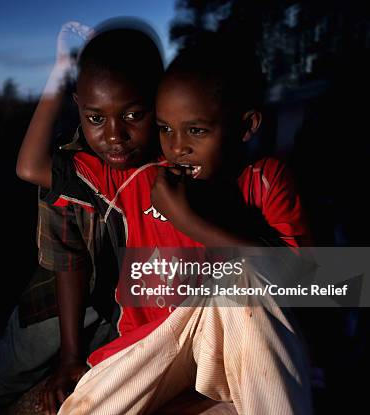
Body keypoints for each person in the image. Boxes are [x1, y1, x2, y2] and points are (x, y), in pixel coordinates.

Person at [37, 34, 312, 414]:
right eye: (166, 129)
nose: (178, 147)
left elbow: (312, 282)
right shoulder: (141, 175)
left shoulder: (266, 179)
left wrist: (188, 219)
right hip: (149, 344)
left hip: (221, 330)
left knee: (243, 280)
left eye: (196, 131)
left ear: (246, 126)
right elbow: (32, 168)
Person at [16, 20, 165, 414]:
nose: (115, 136)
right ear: (79, 107)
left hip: (126, 316)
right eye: (97, 119)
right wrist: (69, 358)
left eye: (134, 115)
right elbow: (68, 261)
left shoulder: (171, 167)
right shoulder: (85, 170)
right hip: (61, 304)